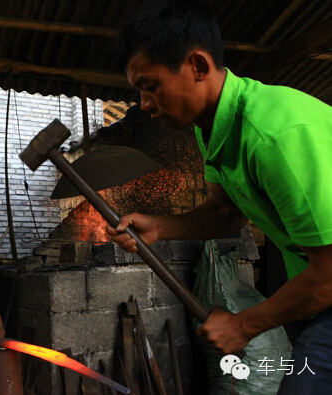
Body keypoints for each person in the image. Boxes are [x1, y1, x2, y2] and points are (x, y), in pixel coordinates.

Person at [107, 1, 332, 393]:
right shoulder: (211, 126)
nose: (143, 105)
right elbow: (227, 213)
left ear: (197, 66)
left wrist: (243, 324)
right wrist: (161, 226)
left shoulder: (275, 136)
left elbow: (328, 277)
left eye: (151, 87)